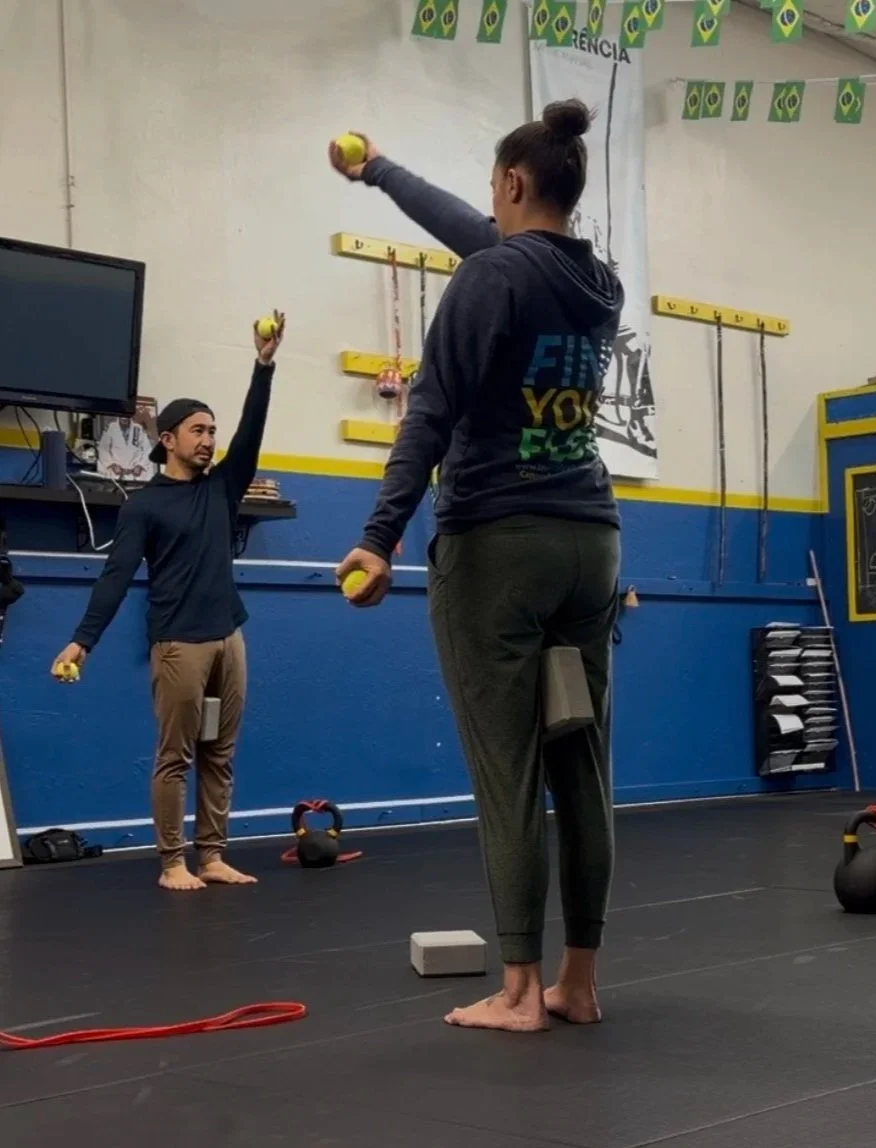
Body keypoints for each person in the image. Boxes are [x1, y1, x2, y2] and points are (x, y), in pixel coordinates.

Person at [329, 101, 623, 1033]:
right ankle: (578, 984)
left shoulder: (491, 277)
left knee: (508, 772)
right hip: (591, 542)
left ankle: (520, 991)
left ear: (512, 182)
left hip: (499, 545)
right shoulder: (599, 283)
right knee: (582, 766)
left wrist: (379, 536)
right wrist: (382, 171)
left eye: (494, 188)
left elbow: (431, 411)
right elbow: (482, 237)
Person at [51, 314, 285, 892]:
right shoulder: (144, 506)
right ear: (169, 440)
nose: (208, 439)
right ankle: (172, 863)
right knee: (175, 756)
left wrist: (263, 366)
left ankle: (212, 856)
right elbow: (116, 576)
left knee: (219, 753)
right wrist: (83, 640)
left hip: (229, 637)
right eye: (197, 430)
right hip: (179, 644)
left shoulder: (222, 487)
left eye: (212, 431)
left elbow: (251, 433)